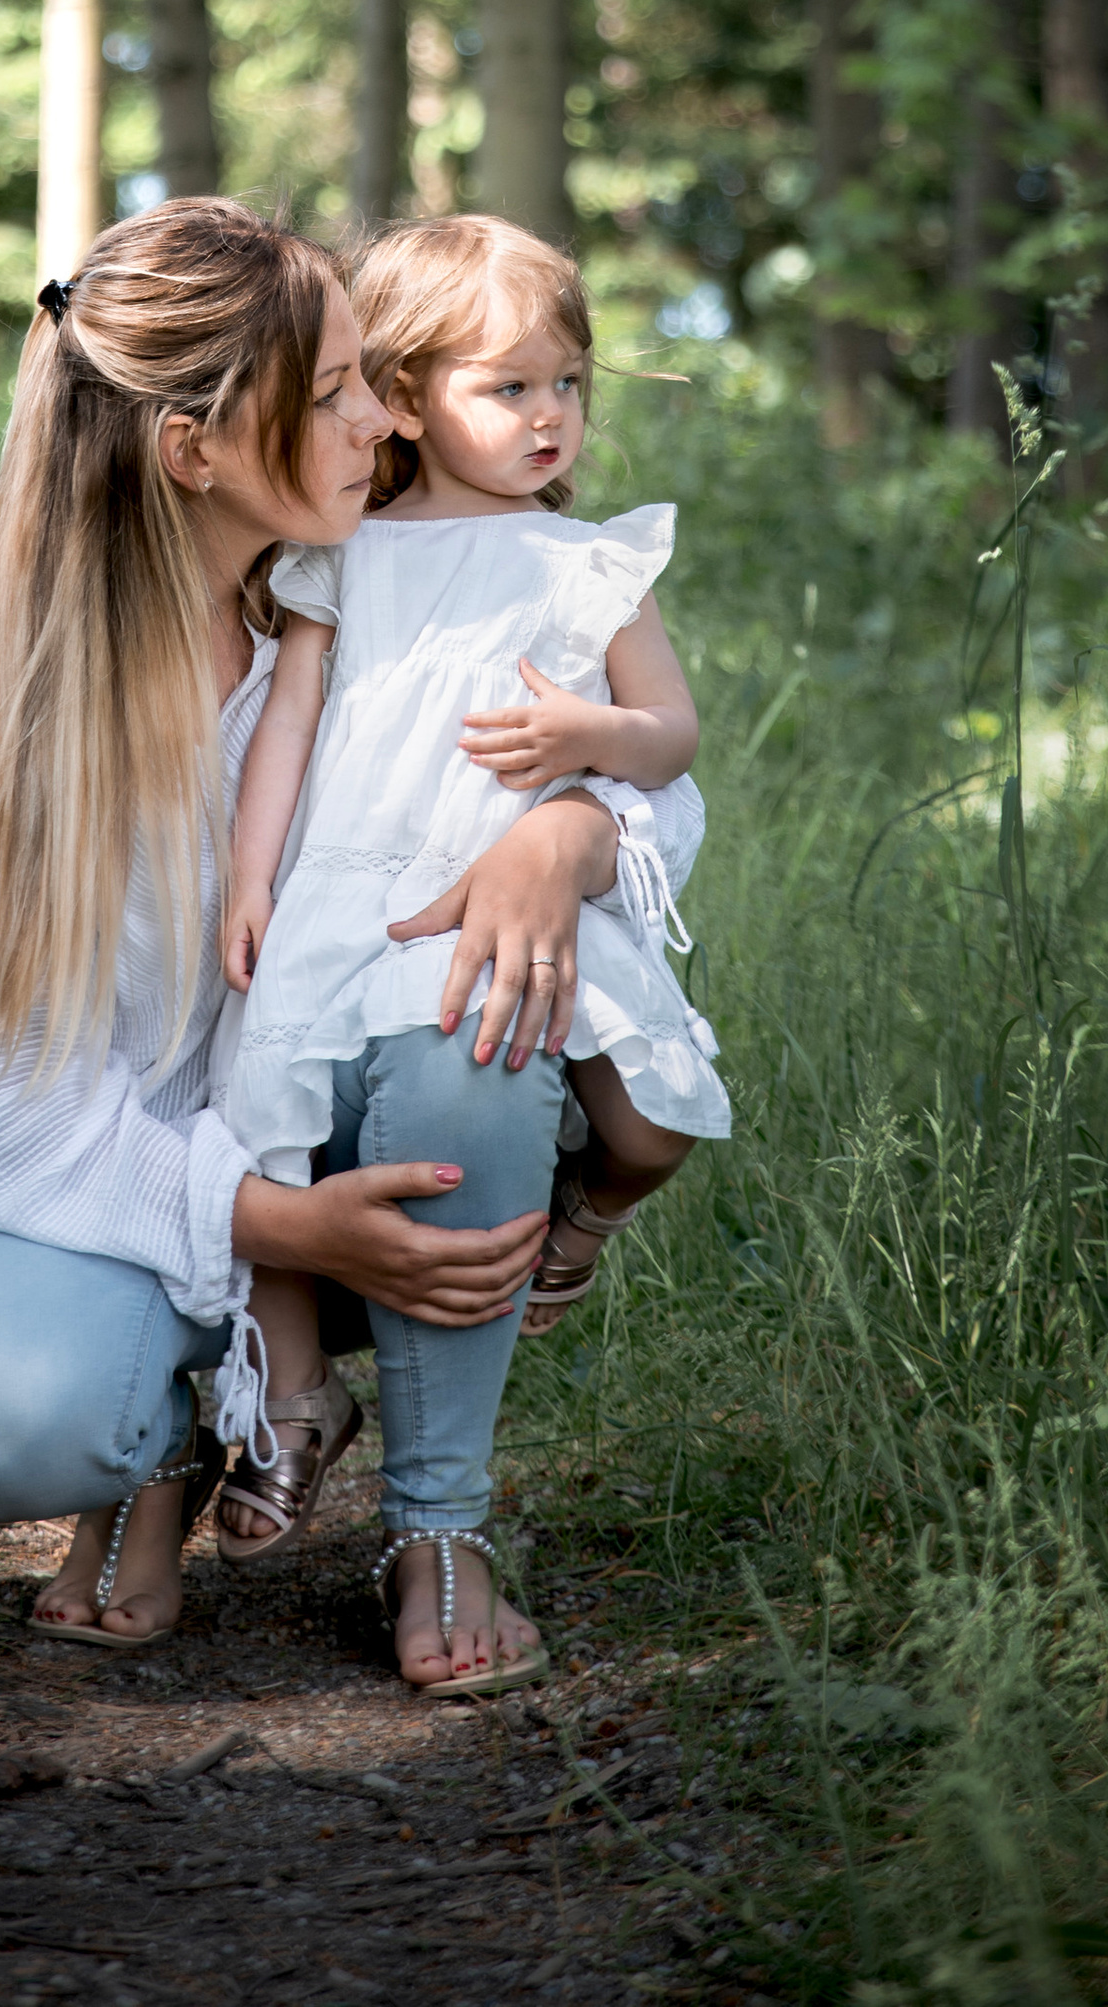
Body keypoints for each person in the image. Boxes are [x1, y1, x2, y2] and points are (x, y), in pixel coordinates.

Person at [0, 196, 646, 1693]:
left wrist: (578, 834)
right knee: (19, 1415)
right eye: (342, 393)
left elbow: (632, 762)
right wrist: (276, 1229)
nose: (383, 420)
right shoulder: (10, 706)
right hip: (98, 1177)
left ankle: (439, 1529)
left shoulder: (387, 590)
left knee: (472, 1029)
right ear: (197, 450)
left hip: (346, 1121)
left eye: (375, 379)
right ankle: (158, 1444)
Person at [212, 212, 729, 1577]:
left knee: (652, 1123)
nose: (551, 416)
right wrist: (253, 877)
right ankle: (289, 1401)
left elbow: (670, 733)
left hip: (521, 896)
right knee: (261, 1110)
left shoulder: (589, 564)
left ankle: (576, 1228)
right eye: (509, 387)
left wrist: (591, 744)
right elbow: (289, 724)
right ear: (408, 398)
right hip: (355, 891)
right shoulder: (348, 553)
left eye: (569, 383)